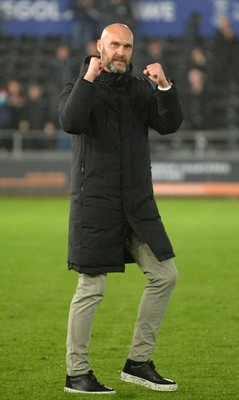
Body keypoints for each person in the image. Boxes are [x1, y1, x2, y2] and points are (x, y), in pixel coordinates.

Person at [59, 23, 183, 394]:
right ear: (100, 46)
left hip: (136, 206)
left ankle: (138, 362)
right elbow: (71, 121)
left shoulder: (139, 90)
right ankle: (77, 373)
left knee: (165, 275)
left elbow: (168, 124)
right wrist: (88, 79)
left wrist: (164, 87)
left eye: (127, 46)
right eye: (114, 45)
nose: (121, 52)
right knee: (91, 287)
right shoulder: (77, 86)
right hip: (96, 206)